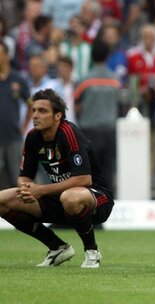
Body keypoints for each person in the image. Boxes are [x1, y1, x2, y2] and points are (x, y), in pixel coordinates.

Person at [0, 89, 114, 268]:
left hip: (96, 198)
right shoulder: (32, 137)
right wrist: (26, 189)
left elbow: (84, 179)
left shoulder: (68, 133)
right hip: (59, 197)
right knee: (2, 200)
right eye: (34, 110)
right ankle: (57, 247)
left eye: (42, 111)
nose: (36, 115)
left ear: (57, 116)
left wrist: (40, 190)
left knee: (70, 197)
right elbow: (24, 177)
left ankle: (92, 252)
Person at [73, 37, 120, 194]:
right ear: (107, 56)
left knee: (89, 171)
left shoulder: (84, 81)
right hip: (109, 129)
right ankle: (108, 204)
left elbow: (75, 103)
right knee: (108, 170)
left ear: (92, 56)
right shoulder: (115, 80)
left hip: (89, 130)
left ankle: (90, 204)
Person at [0, 41, 31, 187]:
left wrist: (24, 127)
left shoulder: (18, 79)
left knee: (17, 177)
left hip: (13, 136)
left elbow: (30, 104)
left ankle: (19, 209)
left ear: (7, 55)